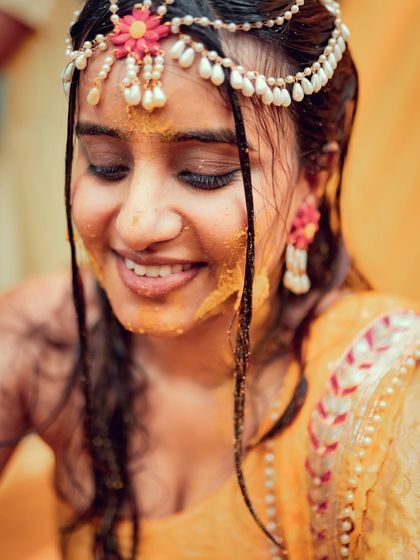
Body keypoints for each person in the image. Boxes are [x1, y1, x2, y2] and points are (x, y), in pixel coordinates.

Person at [0, 1, 418, 559]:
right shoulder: (40, 342)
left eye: (204, 173)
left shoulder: (383, 404)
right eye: (105, 164)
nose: (137, 223)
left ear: (311, 181)